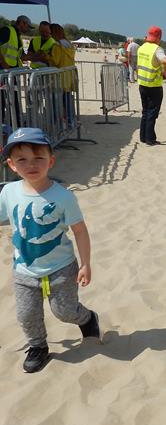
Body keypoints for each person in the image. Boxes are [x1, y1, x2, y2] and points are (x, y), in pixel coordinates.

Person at [0, 127, 100, 373]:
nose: (31, 165)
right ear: (11, 165)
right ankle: (38, 346)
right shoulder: (8, 192)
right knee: (26, 315)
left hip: (61, 267)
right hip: (24, 269)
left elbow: (79, 230)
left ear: (51, 161)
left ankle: (88, 318)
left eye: (38, 158)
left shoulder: (63, 197)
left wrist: (85, 263)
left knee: (64, 312)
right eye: (22, 159)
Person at [137, 26, 166, 146]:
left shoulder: (141, 47)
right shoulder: (157, 49)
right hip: (154, 85)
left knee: (145, 111)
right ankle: (150, 138)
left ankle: (143, 137)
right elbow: (165, 61)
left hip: (142, 83)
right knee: (152, 113)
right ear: (159, 37)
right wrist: (165, 73)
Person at [49, 24, 77, 127]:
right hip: (68, 76)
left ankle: (57, 123)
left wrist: (47, 57)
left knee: (56, 102)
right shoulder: (69, 44)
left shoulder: (57, 45)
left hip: (59, 78)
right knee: (68, 100)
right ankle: (70, 121)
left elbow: (55, 61)